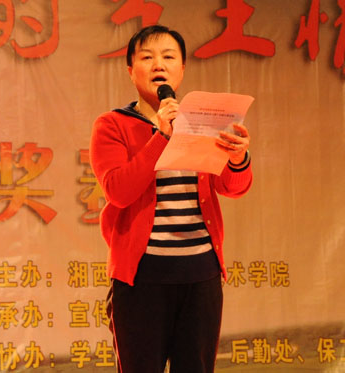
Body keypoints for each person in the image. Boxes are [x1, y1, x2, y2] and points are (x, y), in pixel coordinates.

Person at [89, 25, 253, 373]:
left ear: (181, 69)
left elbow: (233, 187)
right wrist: (162, 136)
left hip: (201, 274)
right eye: (147, 58)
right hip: (141, 278)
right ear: (130, 70)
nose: (158, 65)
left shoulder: (202, 121)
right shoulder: (112, 125)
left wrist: (238, 158)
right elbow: (118, 191)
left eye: (168, 57)